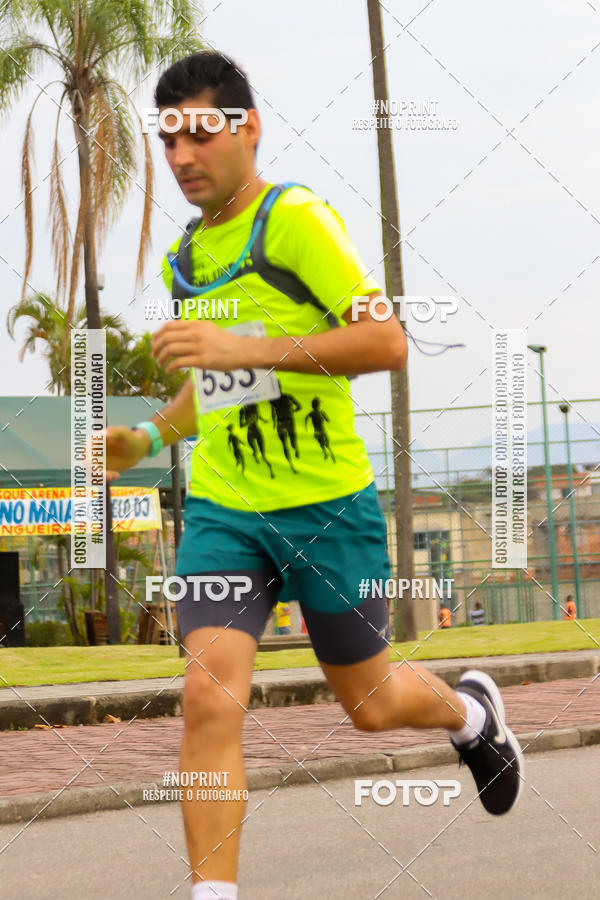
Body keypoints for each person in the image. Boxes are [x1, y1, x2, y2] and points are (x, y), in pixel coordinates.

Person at [105, 52, 523, 900]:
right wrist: (148, 434)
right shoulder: (186, 261)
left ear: (246, 129)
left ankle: (472, 714)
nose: (181, 155)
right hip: (227, 508)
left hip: (329, 509)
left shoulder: (293, 222)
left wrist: (249, 347)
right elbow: (223, 386)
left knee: (368, 705)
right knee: (208, 698)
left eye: (199, 133)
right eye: (168, 138)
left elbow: (386, 343)